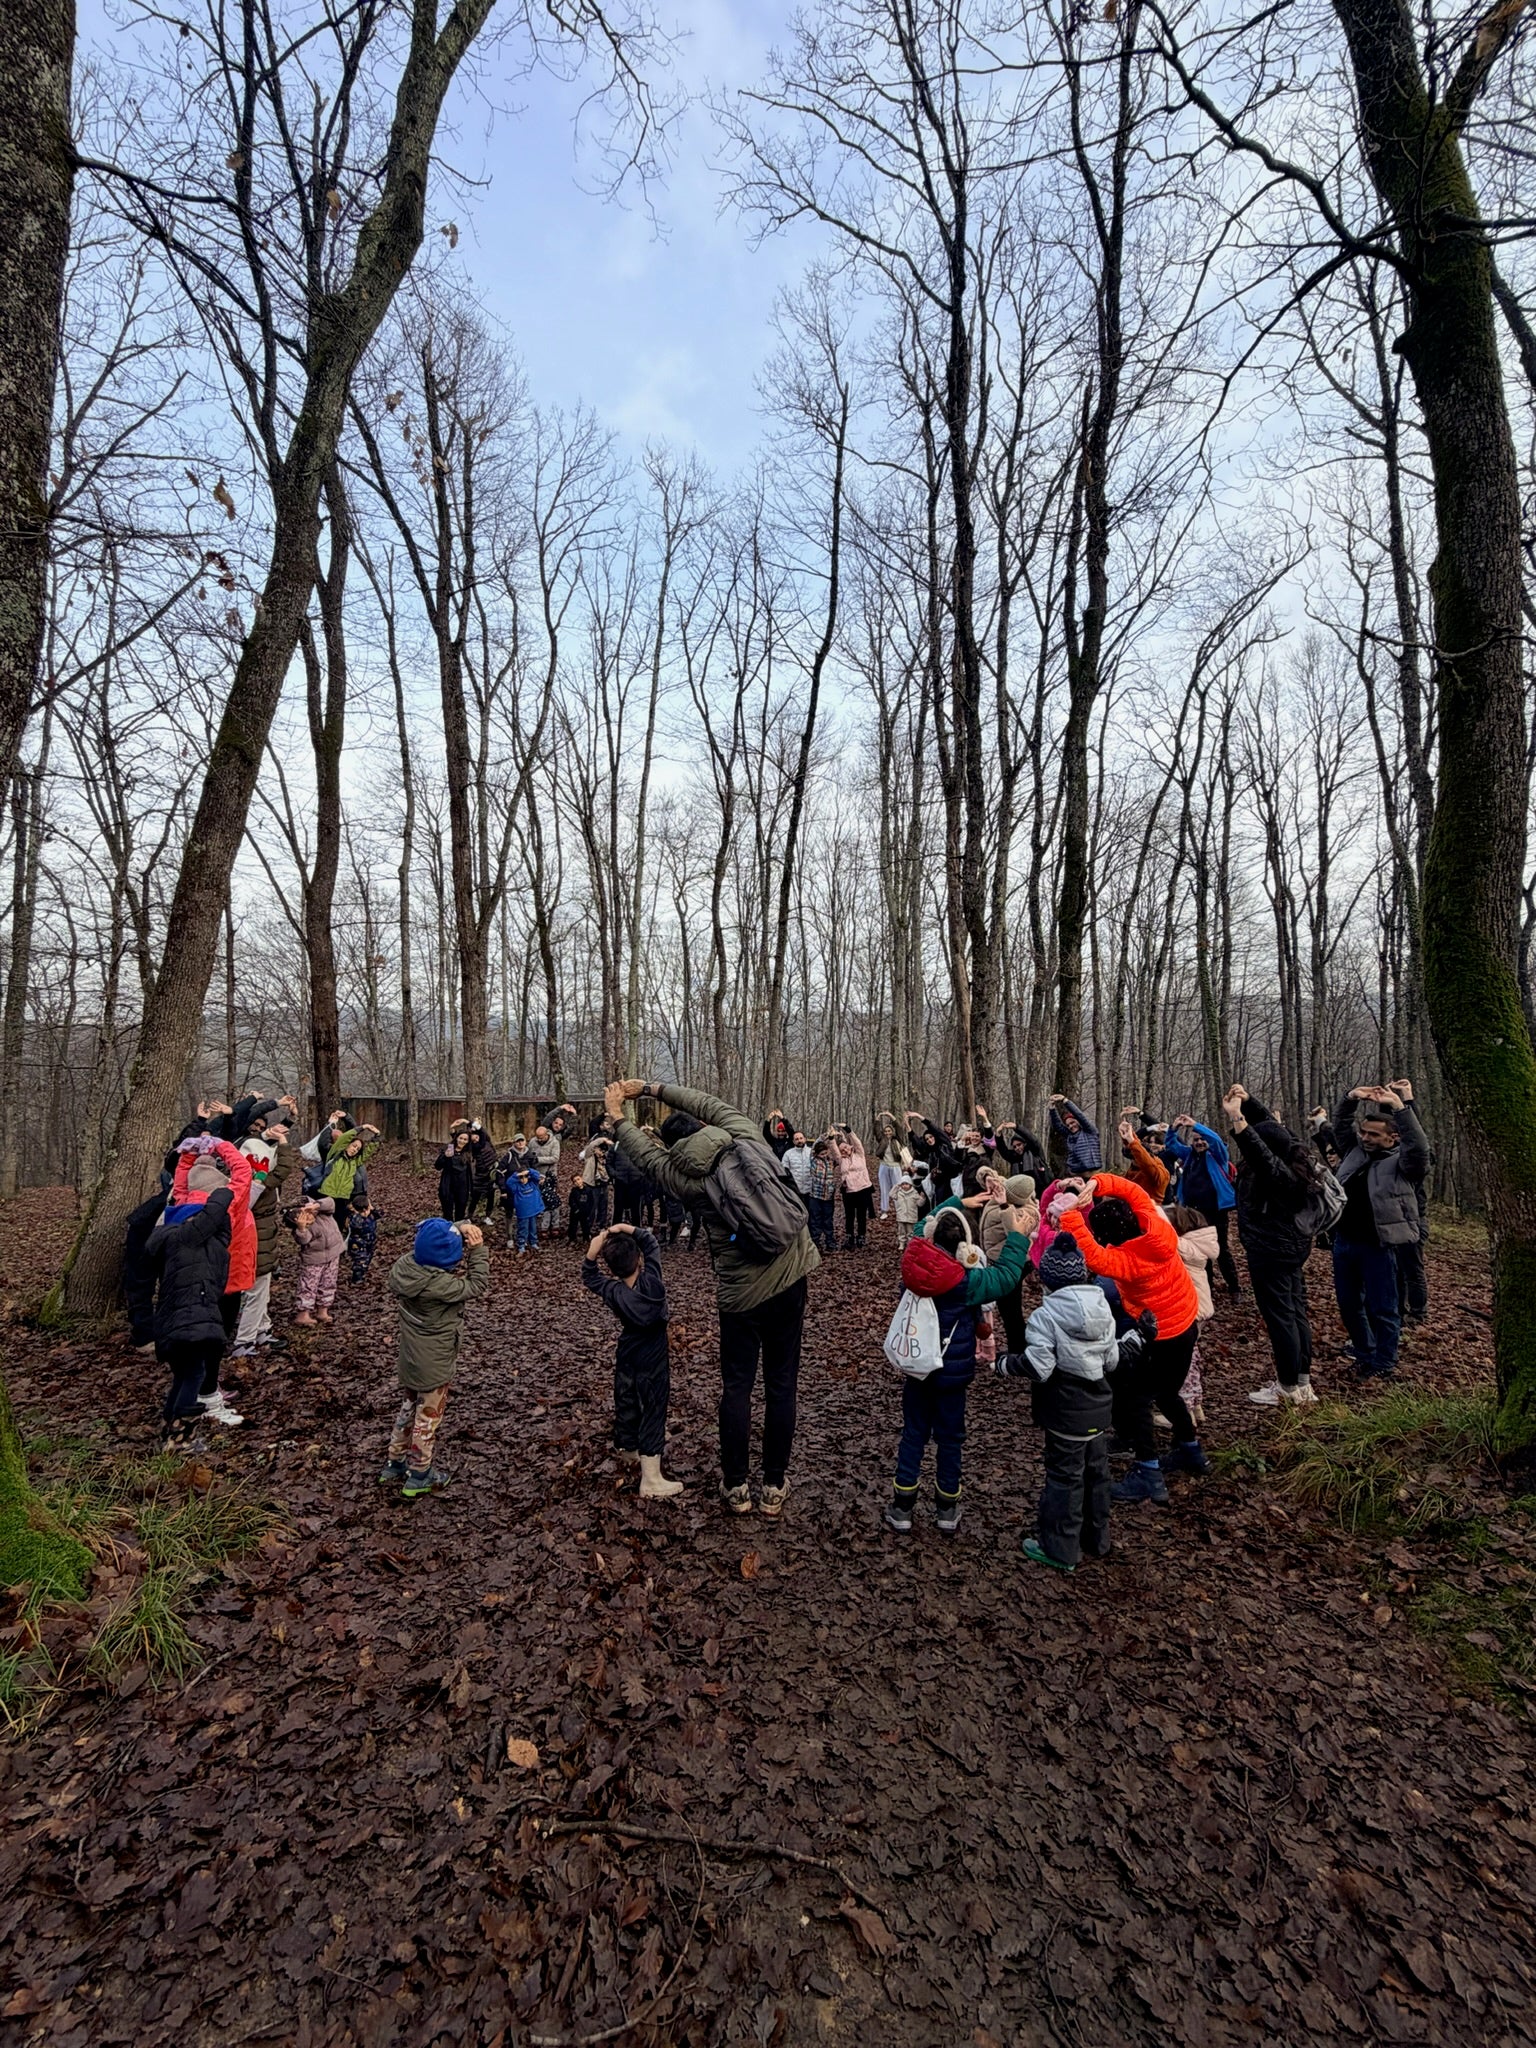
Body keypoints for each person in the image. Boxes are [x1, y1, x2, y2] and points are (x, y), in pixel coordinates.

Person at [606, 1077, 821, 1517]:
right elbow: (706, 1101)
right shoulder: (744, 1134)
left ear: (674, 1146)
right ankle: (774, 1487)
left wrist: (616, 1117)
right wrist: (650, 1087)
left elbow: (645, 1160)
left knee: (737, 1387)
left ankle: (737, 1486)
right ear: (703, 1126)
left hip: (741, 1296)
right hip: (792, 1274)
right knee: (782, 1385)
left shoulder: (686, 1178)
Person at [993, 1236, 1156, 1572]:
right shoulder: (1102, 1310)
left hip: (1064, 1410)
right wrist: (1137, 1338)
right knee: (1096, 1474)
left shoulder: (1045, 1317)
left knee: (1064, 1478)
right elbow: (1112, 1359)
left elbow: (1039, 1367)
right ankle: (1098, 1538)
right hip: (1098, 1409)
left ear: (1048, 1279)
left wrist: (1005, 1364)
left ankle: (1060, 1547)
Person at [1052, 1171, 1205, 1505]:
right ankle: (1190, 1450)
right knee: (1167, 1392)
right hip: (1185, 1322)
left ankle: (1148, 1472)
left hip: (1160, 1333)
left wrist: (1067, 1212)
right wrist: (1096, 1185)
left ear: (1111, 1237)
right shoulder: (1157, 1227)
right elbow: (1134, 1191)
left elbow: (1092, 1254)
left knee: (1135, 1398)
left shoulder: (1126, 1261)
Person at [883, 1203, 1032, 1535]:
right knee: (950, 1440)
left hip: (917, 1369)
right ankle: (946, 1509)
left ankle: (902, 1507)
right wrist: (1018, 1237)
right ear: (965, 1248)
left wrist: (956, 1202)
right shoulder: (968, 1282)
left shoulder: (912, 1266)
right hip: (952, 1377)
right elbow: (1007, 1275)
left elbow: (923, 1224)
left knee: (913, 1434)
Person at [1223, 1085, 1323, 1408]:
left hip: (1271, 1251)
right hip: (1290, 1249)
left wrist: (1239, 1119)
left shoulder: (1279, 1174)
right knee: (1295, 1311)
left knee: (1281, 1317)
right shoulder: (1295, 1158)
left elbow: (1260, 1151)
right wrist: (1251, 1103)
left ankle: (1287, 1385)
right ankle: (1302, 1383)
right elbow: (1274, 1134)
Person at [1326, 1082, 1430, 1381]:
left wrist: (1400, 1107)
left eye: (1374, 1135)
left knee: (1383, 1307)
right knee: (1348, 1304)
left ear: (1392, 1137)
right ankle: (1364, 1352)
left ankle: (1384, 1361)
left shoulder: (1404, 1164)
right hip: (1344, 1243)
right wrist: (1350, 1098)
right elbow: (1341, 1125)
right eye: (1364, 1133)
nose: (1366, 1138)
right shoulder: (1354, 1153)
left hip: (1380, 1246)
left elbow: (1419, 1146)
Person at [381, 1218, 490, 1498]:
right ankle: (419, 1474)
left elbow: (428, 1239)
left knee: (408, 1406)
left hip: (411, 1357)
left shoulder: (405, 1268)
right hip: (435, 1360)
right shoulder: (441, 1286)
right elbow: (476, 1285)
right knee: (428, 1417)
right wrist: (477, 1251)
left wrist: (458, 1227)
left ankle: (395, 1460)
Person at [582, 1221, 682, 1499]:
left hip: (629, 1347)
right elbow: (650, 1243)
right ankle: (651, 1477)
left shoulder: (614, 1292)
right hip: (653, 1350)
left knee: (625, 1394)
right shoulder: (653, 1282)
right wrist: (625, 1227)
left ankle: (628, 1449)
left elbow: (590, 1277)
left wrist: (594, 1250)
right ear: (638, 1260)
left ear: (612, 1269)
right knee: (653, 1404)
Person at [143, 1173, 239, 1449]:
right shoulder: (184, 1238)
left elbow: (219, 1232)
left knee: (185, 1375)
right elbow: (213, 1214)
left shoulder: (200, 1246)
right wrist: (227, 1189)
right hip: (188, 1320)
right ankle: (180, 1437)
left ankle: (170, 1432)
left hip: (181, 1320)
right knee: (194, 1374)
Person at [164, 1135, 254, 1425]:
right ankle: (207, 1398)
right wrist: (218, 1145)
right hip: (227, 1283)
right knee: (214, 1344)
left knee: (195, 1346)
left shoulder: (183, 1203)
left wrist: (190, 1153)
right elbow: (243, 1172)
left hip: (191, 1286)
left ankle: (195, 1394)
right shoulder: (228, 1206)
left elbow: (180, 1180)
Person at [232, 1121, 299, 1357]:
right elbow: (282, 1169)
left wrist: (268, 1135)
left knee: (262, 1290)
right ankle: (244, 1341)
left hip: (260, 1238)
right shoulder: (259, 1184)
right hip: (257, 1239)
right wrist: (283, 1143)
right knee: (256, 1291)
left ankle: (262, 1329)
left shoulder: (239, 1180)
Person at [1162, 1114, 1241, 1298]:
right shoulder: (1189, 1156)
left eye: (1202, 1140)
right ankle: (1208, 1285)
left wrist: (1196, 1125)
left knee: (1221, 1249)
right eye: (1196, 1140)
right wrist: (1173, 1129)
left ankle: (1234, 1287)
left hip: (1215, 1211)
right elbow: (1172, 1145)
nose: (1199, 1143)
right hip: (1193, 1212)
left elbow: (1217, 1141)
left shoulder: (1218, 1156)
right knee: (1198, 1250)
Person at [1165, 1202, 1219, 1426]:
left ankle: (1183, 1408)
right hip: (1199, 1308)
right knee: (1192, 1357)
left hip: (1190, 1311)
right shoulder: (1198, 1244)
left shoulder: (1184, 1247)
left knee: (1181, 1362)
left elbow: (1163, 1235)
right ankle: (1195, 1404)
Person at [291, 1197, 345, 1327]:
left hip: (333, 1254)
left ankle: (323, 1311)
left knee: (329, 1283)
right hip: (314, 1259)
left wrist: (316, 1205)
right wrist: (302, 1228)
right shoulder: (304, 1224)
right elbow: (303, 1241)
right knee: (308, 1285)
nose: (311, 1214)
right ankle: (303, 1314)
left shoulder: (325, 1212)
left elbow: (331, 1202)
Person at [317, 1123, 379, 1233]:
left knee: (339, 1224)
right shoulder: (335, 1154)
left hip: (343, 1197)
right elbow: (345, 1138)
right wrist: (362, 1127)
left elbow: (369, 1151)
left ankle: (337, 1245)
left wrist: (377, 1135)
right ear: (347, 1145)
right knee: (324, 1223)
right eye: (353, 1146)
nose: (355, 1149)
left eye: (357, 1149)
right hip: (327, 1194)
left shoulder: (355, 1162)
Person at [833, 1126, 874, 1249]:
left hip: (863, 1189)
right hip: (849, 1191)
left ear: (850, 1146)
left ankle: (861, 1236)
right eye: (842, 1150)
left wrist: (848, 1130)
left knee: (861, 1215)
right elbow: (833, 1149)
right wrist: (831, 1138)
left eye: (845, 1147)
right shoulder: (841, 1160)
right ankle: (849, 1236)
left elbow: (857, 1142)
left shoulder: (859, 1155)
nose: (844, 1150)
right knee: (849, 1216)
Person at [1117, 1117, 1171, 1202]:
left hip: (1155, 1208)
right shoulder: (1133, 1171)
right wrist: (1128, 1135)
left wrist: (1132, 1140)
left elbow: (1147, 1163)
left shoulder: (1157, 1169)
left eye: (1136, 1158)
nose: (1134, 1161)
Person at [1049, 1095, 1101, 1173]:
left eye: (1072, 1122)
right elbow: (1058, 1125)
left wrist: (1065, 1101)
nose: (1071, 1126)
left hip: (1093, 1171)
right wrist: (1052, 1109)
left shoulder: (1090, 1131)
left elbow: (1080, 1116)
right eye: (1068, 1125)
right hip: (1076, 1173)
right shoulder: (1069, 1135)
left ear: (1078, 1121)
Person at [528, 1123, 563, 1239]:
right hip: (536, 1174)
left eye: (541, 1138)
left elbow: (555, 1158)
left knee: (552, 1201)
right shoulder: (533, 1142)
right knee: (539, 1199)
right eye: (538, 1137)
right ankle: (542, 1225)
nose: (539, 1140)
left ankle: (555, 1225)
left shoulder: (554, 1142)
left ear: (546, 1135)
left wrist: (538, 1159)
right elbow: (529, 1155)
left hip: (550, 1175)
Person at [435, 1131, 475, 1222]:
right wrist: (445, 1156)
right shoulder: (448, 1150)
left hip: (462, 1188)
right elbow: (437, 1166)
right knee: (447, 1214)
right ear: (456, 1138)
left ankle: (458, 1233)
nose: (462, 1141)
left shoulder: (468, 1153)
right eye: (460, 1138)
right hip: (448, 1186)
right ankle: (448, 1233)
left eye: (465, 1139)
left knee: (460, 1214)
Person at [807, 1139, 838, 1254]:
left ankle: (830, 1241)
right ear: (817, 1154)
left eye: (825, 1153)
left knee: (828, 1220)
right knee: (815, 1219)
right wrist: (824, 1136)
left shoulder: (831, 1161)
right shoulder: (813, 1160)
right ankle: (816, 1242)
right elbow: (814, 1145)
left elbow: (837, 1155)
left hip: (828, 1195)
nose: (824, 1156)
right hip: (815, 1195)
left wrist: (831, 1138)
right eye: (822, 1154)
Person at [578, 1132, 613, 1235]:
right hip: (591, 1184)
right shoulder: (589, 1156)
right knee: (591, 1206)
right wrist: (603, 1139)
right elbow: (591, 1145)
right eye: (599, 1149)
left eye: (602, 1150)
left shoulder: (607, 1158)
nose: (600, 1152)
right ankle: (588, 1227)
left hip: (603, 1184)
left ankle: (601, 1225)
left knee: (603, 1206)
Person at [873, 1115, 908, 1218]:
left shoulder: (897, 1140)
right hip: (884, 1166)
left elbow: (899, 1129)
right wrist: (878, 1118)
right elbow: (876, 1131)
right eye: (886, 1131)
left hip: (895, 1166)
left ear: (892, 1131)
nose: (887, 1133)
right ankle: (884, 1210)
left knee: (897, 1188)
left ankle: (899, 1210)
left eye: (889, 1131)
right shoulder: (882, 1140)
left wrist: (891, 1116)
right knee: (884, 1188)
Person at [468, 1121, 500, 1222]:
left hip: (491, 1172)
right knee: (475, 1196)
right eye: (473, 1139)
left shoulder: (487, 1141)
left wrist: (470, 1122)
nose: (476, 1140)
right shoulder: (475, 1147)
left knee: (491, 1195)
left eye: (477, 1138)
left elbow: (482, 1131)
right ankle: (469, 1216)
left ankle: (488, 1216)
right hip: (480, 1174)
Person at [510, 1165, 546, 1254]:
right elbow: (509, 1183)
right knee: (523, 1228)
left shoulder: (533, 1183)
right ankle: (522, 1244)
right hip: (523, 1212)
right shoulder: (517, 1187)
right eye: (521, 1177)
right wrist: (517, 1175)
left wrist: (528, 1171)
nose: (523, 1179)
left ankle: (533, 1242)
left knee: (533, 1228)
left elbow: (537, 1175)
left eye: (525, 1176)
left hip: (533, 1211)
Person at [346, 1197, 379, 1284]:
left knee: (368, 1257)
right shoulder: (355, 1218)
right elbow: (355, 1225)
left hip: (370, 1242)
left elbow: (380, 1214)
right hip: (358, 1244)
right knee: (359, 1259)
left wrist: (372, 1209)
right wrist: (360, 1214)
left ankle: (363, 1271)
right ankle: (357, 1277)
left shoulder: (372, 1215)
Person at [781, 1130, 815, 1198]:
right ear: (793, 1141)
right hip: (795, 1191)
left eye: (801, 1138)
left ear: (805, 1139)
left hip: (811, 1191)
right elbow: (784, 1171)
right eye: (796, 1139)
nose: (799, 1141)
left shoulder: (812, 1152)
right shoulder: (788, 1154)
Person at [892, 1173, 921, 1245]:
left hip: (911, 1216)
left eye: (906, 1184)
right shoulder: (899, 1193)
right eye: (903, 1184)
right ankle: (901, 1243)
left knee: (910, 1232)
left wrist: (922, 1198)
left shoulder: (914, 1193)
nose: (904, 1186)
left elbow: (920, 1203)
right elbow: (891, 1194)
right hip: (901, 1216)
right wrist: (896, 1186)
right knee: (901, 1231)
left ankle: (910, 1243)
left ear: (910, 1184)